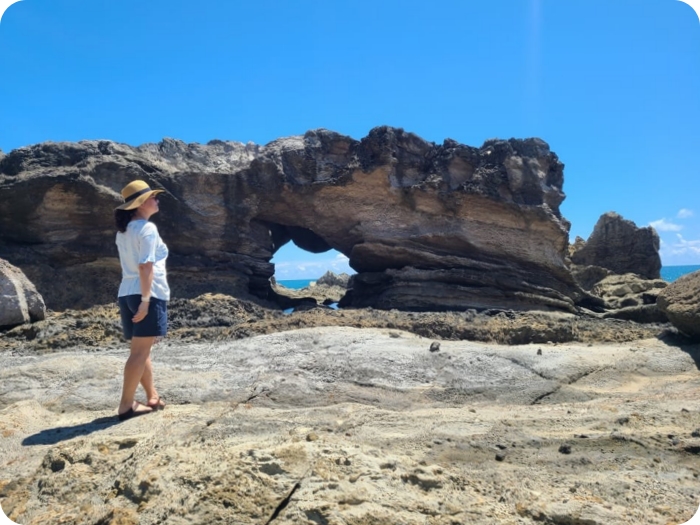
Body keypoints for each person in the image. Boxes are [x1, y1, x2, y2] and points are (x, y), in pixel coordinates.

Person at [114, 180, 170, 421]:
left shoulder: (123, 232)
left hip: (126, 292)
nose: (157, 200)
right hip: (145, 293)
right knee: (139, 353)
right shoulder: (147, 229)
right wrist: (146, 301)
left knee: (142, 351)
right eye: (153, 197)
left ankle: (152, 396)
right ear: (141, 204)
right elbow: (146, 266)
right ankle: (126, 406)